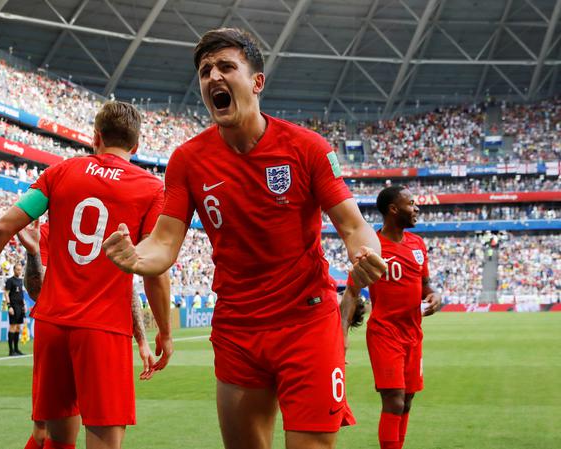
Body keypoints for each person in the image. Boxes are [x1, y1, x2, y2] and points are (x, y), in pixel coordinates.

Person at [103, 28, 386, 449]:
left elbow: (352, 224)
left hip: (306, 323)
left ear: (257, 82)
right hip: (238, 329)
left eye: (225, 67)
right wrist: (136, 258)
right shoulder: (187, 160)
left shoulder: (306, 148)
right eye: (205, 71)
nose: (213, 76)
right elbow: (163, 241)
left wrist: (367, 251)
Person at [0, 100, 173, 449]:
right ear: (137, 145)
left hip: (53, 325)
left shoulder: (59, 173)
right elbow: (154, 270)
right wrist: (164, 330)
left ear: (95, 136)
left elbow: (1, 229)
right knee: (103, 440)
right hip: (103, 328)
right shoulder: (151, 189)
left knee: (56, 440)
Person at [16, 220, 158, 449]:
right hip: (59, 330)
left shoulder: (110, 229)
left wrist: (142, 340)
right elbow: (37, 291)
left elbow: (126, 285)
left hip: (97, 335)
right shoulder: (48, 230)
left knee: (70, 434)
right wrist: (32, 253)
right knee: (44, 433)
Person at [359, 186, 441, 449]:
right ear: (393, 209)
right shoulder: (372, 245)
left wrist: (434, 295)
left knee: (406, 400)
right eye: (411, 203)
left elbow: (425, 283)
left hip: (413, 334)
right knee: (393, 399)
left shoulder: (417, 244)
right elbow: (351, 288)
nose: (417, 208)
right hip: (385, 333)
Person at [5, 263, 26, 356]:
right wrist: (9, 306)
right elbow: (6, 293)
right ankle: (11, 350)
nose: (19, 271)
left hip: (20, 306)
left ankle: (17, 349)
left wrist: (24, 305)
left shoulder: (21, 281)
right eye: (17, 269)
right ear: (14, 270)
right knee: (12, 327)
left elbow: (21, 294)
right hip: (13, 306)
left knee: (18, 327)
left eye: (20, 269)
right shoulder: (10, 281)